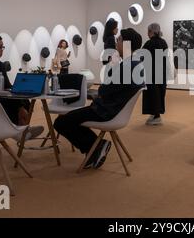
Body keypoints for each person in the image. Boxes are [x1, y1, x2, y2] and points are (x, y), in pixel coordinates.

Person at [54, 28, 145, 169]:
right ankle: (96, 146)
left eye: (119, 39)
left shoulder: (127, 66)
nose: (116, 42)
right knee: (70, 118)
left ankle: (94, 148)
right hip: (114, 110)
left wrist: (113, 65)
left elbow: (104, 90)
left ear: (126, 44)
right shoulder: (135, 64)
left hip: (106, 112)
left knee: (61, 122)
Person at [142, 23, 169, 125]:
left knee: (153, 94)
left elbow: (141, 56)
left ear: (151, 31)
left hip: (152, 74)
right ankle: (155, 115)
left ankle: (156, 116)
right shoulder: (163, 42)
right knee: (159, 94)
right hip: (161, 73)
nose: (147, 33)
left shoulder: (149, 43)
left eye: (148, 31)